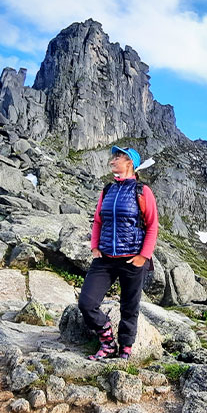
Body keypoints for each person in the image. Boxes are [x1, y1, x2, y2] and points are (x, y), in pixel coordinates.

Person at [78, 146, 158, 360]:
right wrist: (95, 246)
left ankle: (125, 348)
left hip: (132, 259)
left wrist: (144, 256)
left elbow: (152, 225)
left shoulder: (142, 191)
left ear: (129, 162)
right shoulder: (108, 190)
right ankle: (107, 342)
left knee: (129, 306)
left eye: (117, 157)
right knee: (87, 303)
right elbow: (97, 221)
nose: (112, 161)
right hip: (104, 258)